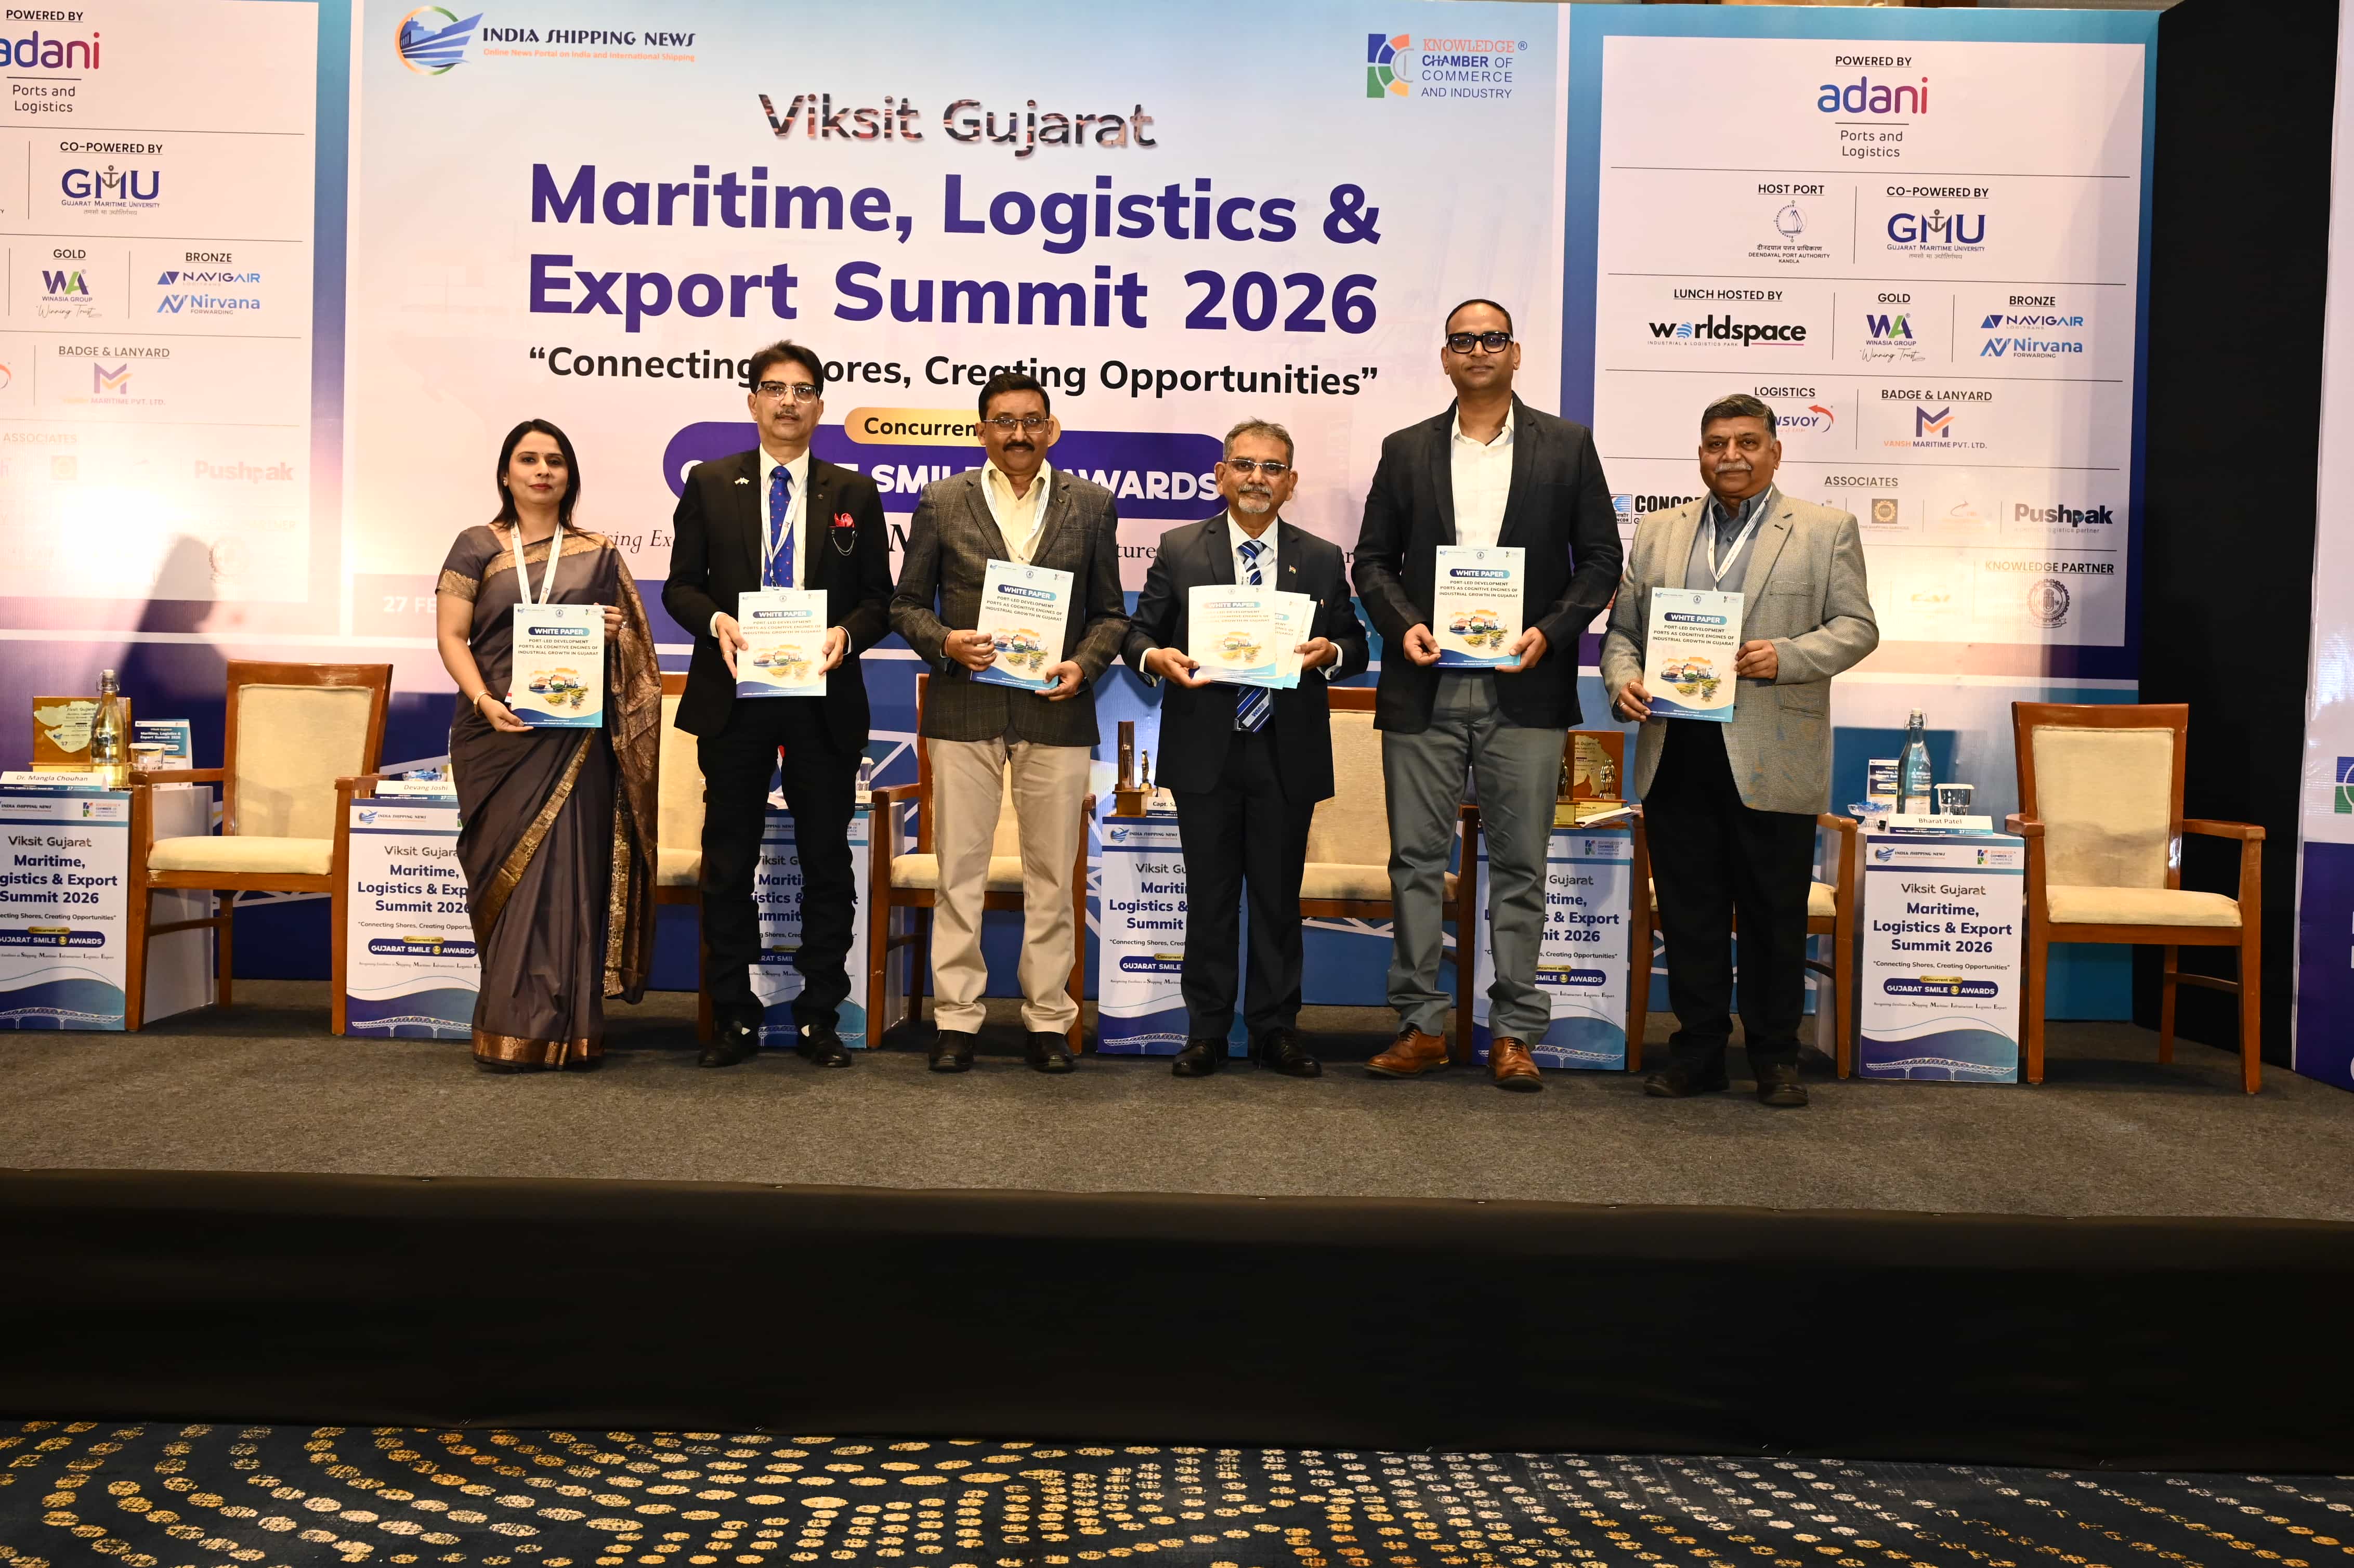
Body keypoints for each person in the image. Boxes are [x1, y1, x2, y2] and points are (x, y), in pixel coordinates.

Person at [1353, 299, 1623, 1092]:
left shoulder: (1567, 446)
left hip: (1526, 684)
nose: (1479, 350)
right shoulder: (1405, 449)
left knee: (1520, 865)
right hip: (1424, 684)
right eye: (1464, 341)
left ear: (1515, 352)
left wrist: (1553, 631)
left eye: (1493, 339)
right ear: (1445, 357)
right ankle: (1419, 1025)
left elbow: (1601, 560)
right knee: (1414, 863)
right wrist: (1403, 626)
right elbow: (1372, 561)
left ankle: (1514, 1033)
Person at [1600, 393, 1878, 1107]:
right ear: (1700, 454)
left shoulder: (1825, 529)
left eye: (1747, 442)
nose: (1731, 456)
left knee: (1773, 915)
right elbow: (1623, 631)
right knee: (1689, 915)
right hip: (1676, 748)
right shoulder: (1658, 531)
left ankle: (1775, 1057)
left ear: (1774, 452)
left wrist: (1786, 656)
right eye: (1717, 443)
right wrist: (1623, 680)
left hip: (1773, 750)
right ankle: (1698, 1052)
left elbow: (1856, 627)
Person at [663, 341, 895, 1070]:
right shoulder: (710, 482)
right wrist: (716, 621)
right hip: (736, 693)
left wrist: (845, 635)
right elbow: (679, 586)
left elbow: (879, 601)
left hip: (823, 693)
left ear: (820, 405)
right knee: (728, 862)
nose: (788, 401)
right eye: (774, 388)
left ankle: (819, 1015)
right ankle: (733, 1015)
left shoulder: (853, 492)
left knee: (826, 860)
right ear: (752, 401)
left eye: (802, 389)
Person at [890, 371, 1127, 1074]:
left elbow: (1111, 613)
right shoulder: (942, 500)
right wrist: (946, 642)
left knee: (1053, 875)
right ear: (981, 430)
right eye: (1003, 421)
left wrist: (1085, 663)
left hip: (1057, 707)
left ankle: (1049, 1019)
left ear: (1051, 429)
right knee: (958, 872)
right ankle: (956, 1019)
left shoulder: (1093, 504)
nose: (1018, 434)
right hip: (965, 704)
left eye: (1031, 421)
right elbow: (906, 605)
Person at [1124, 419, 1369, 1079]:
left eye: (1272, 467)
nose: (1257, 478)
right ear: (1221, 475)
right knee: (1208, 900)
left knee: (1277, 900)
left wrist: (1332, 651)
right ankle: (1206, 1030)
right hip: (1205, 749)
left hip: (1285, 751)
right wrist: (1156, 657)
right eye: (1244, 464)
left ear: (1291, 482)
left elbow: (1355, 642)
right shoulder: (1180, 548)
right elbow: (1137, 633)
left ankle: (1274, 1029)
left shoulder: (1321, 557)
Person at [435, 418, 660, 1072]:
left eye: (555, 461)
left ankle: (570, 1030)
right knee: (507, 876)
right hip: (495, 735)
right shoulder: (476, 545)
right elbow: (452, 636)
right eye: (528, 459)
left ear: (570, 476)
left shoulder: (599, 552)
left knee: (569, 879)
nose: (542, 471)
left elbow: (636, 661)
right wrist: (484, 700)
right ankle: (508, 1026)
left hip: (575, 742)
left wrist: (613, 632)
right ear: (505, 473)